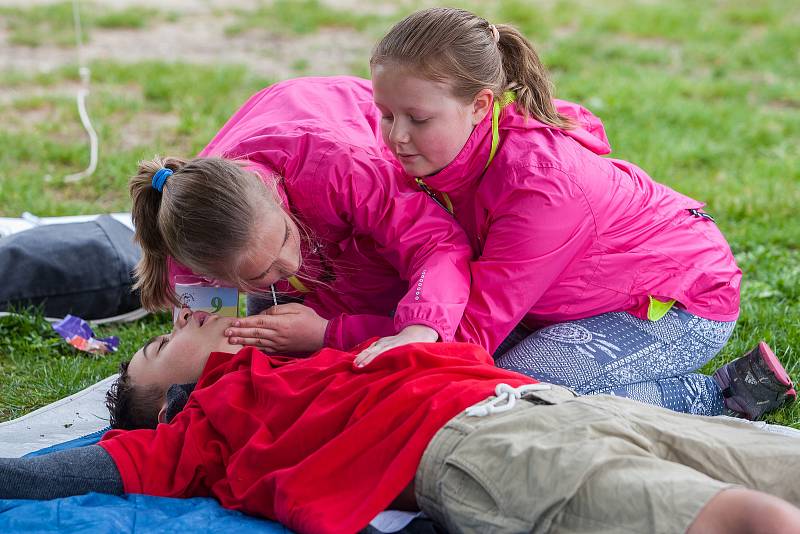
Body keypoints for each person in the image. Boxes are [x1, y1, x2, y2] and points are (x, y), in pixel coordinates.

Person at [1, 309, 799, 534]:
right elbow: (51, 475)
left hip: (556, 406)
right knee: (749, 520)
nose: (179, 321)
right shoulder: (197, 432)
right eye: (160, 347)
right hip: (484, 449)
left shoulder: (302, 351)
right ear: (166, 400)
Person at [365, 7, 796, 418]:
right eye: (385, 115)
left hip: (677, 303)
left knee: (512, 392)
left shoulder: (539, 183)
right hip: (567, 297)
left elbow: (477, 325)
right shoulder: (446, 144)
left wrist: (397, 353)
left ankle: (724, 392)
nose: (397, 136)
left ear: (480, 105)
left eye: (418, 119)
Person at [130, 76, 473, 361]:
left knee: (407, 305)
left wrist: (412, 326)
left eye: (284, 238)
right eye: (262, 273)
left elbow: (436, 241)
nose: (291, 264)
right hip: (292, 159)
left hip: (343, 120)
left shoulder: (337, 170)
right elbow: (213, 355)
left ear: (275, 193)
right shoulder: (189, 253)